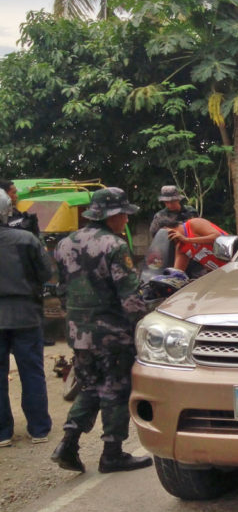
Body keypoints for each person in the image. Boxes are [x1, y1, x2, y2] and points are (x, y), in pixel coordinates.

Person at [51, 187, 152, 473]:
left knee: (90, 385)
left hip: (78, 333)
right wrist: (143, 327)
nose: (127, 221)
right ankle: (112, 454)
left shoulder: (64, 244)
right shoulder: (114, 246)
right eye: (124, 215)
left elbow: (62, 290)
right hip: (112, 333)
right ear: (112, 216)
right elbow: (130, 298)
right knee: (116, 390)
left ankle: (68, 443)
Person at [0, 190, 52, 447]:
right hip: (26, 315)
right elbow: (45, 273)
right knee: (32, 372)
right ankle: (39, 429)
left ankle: (2, 433)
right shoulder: (26, 239)